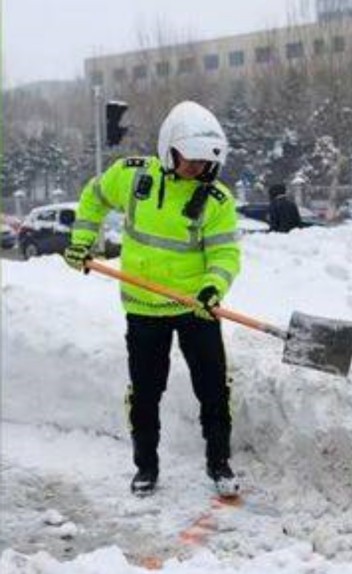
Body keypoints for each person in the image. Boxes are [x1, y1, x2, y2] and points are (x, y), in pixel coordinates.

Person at [63, 101, 241, 498]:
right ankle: (146, 466)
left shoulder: (217, 200)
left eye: (204, 162)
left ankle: (220, 463)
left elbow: (226, 254)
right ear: (168, 149)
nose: (197, 169)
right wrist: (80, 241)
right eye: (189, 160)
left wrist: (213, 287)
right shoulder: (132, 176)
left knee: (213, 389)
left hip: (197, 308)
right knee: (145, 391)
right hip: (143, 309)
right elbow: (93, 198)